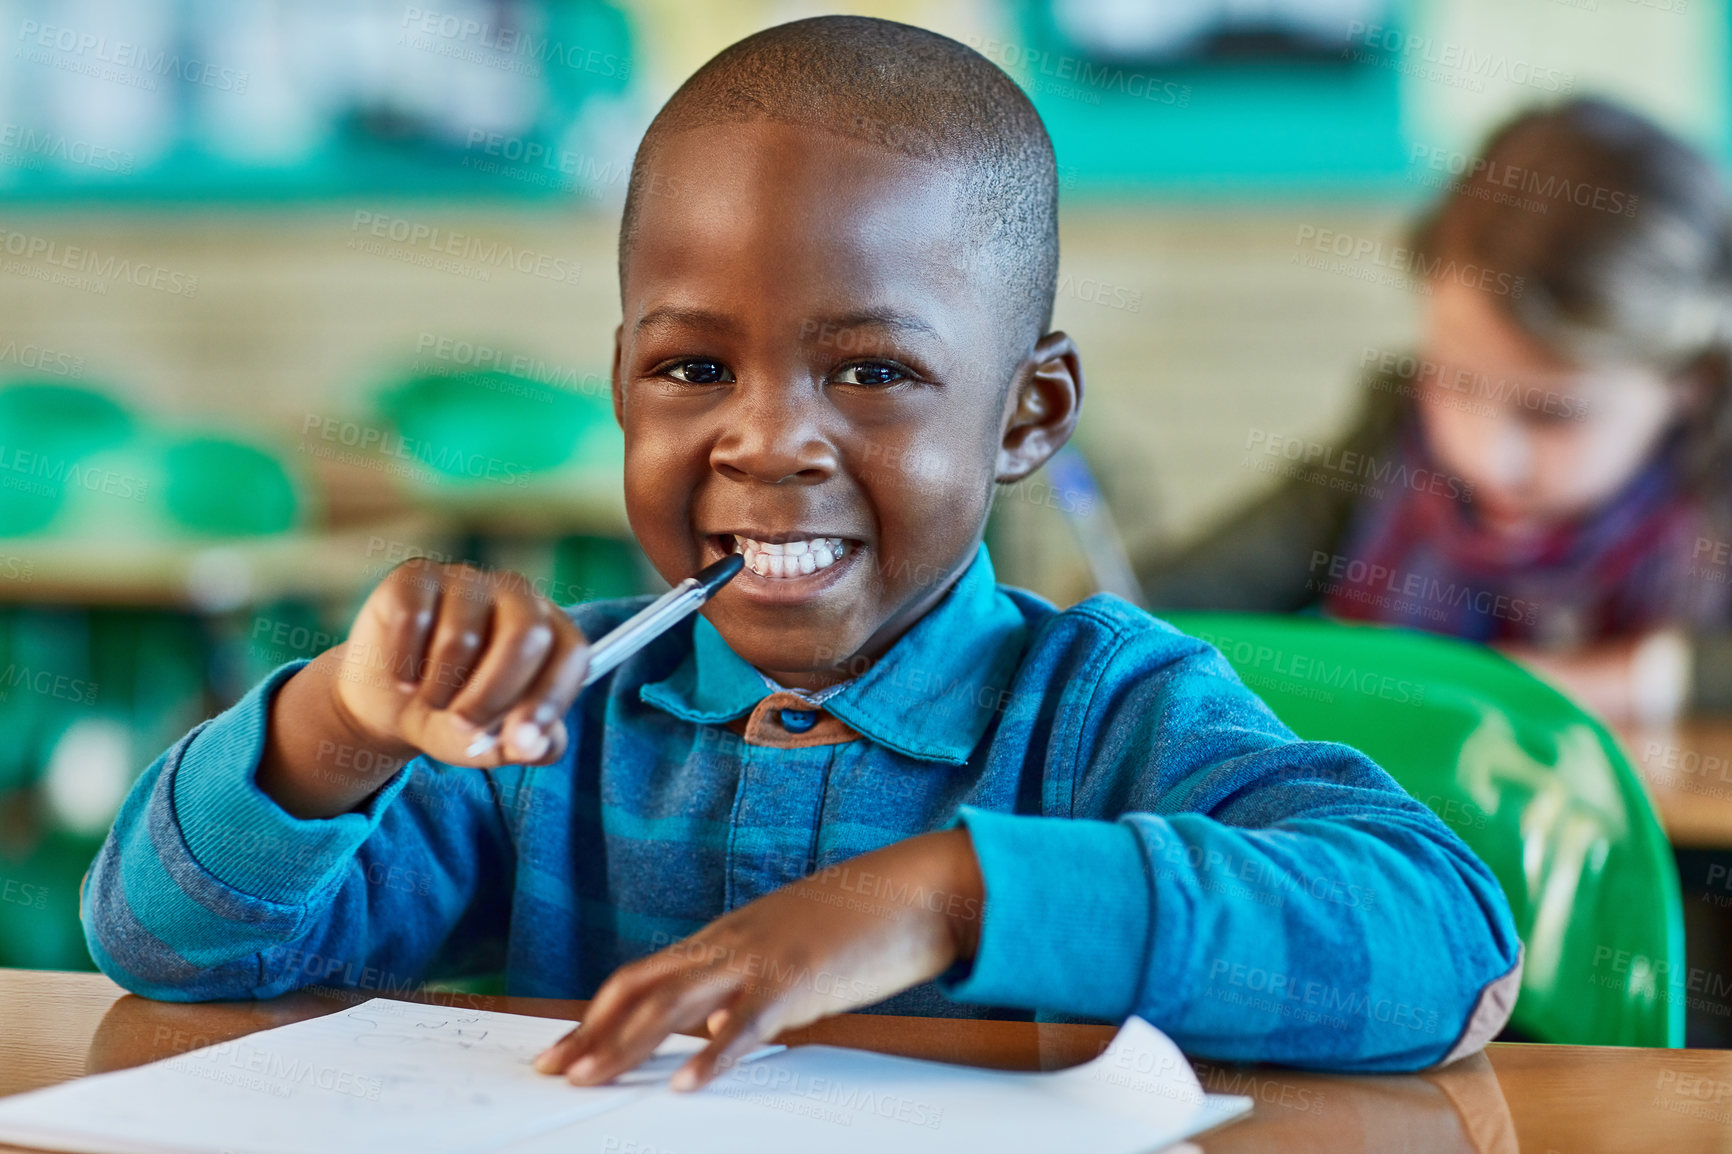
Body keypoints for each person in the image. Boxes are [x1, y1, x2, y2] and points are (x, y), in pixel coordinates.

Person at [79, 16, 1519, 1088]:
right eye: (693, 372)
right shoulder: (548, 736)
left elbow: (1449, 944)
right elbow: (167, 942)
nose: (768, 444)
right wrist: (339, 717)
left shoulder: (1104, 712)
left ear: (1029, 412)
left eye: (875, 373)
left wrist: (943, 896)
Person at [1140, 98, 1732, 726]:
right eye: (1452, 381)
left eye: (1553, 414)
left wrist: (1587, 684)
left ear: (1692, 380)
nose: (1484, 457)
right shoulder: (1391, 440)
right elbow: (1161, 604)